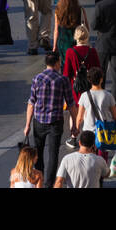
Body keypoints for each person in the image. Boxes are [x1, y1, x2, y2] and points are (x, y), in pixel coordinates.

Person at [25, 52, 76, 187]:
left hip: (39, 122)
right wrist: (74, 125)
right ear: (57, 62)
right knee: (53, 154)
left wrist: (27, 125)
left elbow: (31, 103)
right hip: (56, 122)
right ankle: (49, 184)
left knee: (38, 152)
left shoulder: (37, 78)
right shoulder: (63, 80)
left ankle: (39, 181)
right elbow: (71, 104)